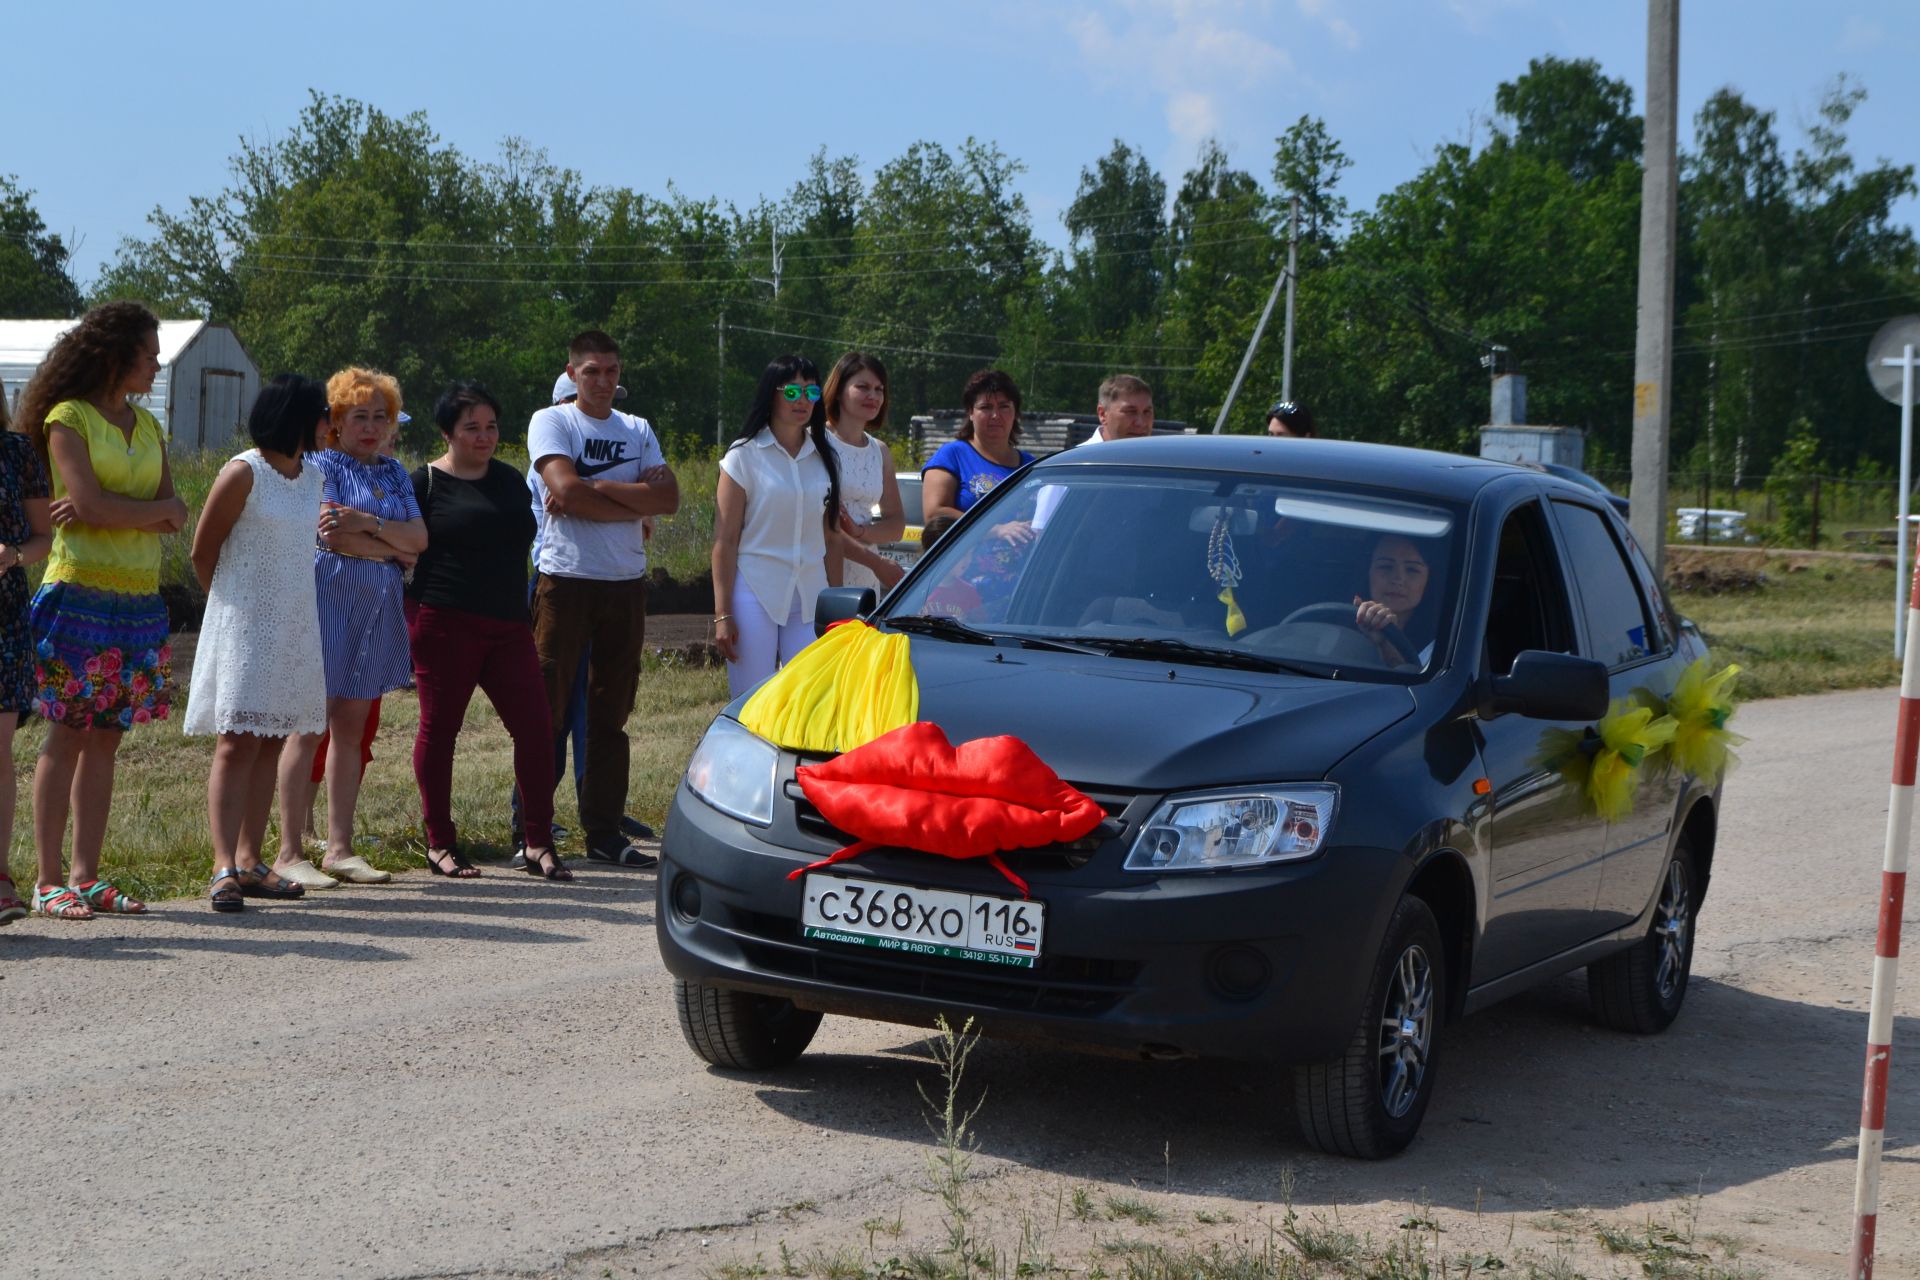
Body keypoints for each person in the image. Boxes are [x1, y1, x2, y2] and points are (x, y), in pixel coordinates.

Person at [15, 301, 187, 920]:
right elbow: (93, 505)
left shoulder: (149, 425)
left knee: (109, 738)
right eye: (149, 353)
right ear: (116, 356)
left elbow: (176, 510)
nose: (157, 363)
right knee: (68, 731)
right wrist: (147, 514)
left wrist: (115, 509)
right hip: (79, 592)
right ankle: (47, 879)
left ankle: (87, 877)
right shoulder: (68, 417)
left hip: (137, 600)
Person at [526, 331, 679, 868]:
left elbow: (669, 497)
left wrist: (600, 489)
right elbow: (563, 491)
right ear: (571, 373)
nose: (604, 381)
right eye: (592, 371)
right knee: (548, 707)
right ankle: (535, 832)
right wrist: (631, 497)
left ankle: (605, 832)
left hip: (624, 584)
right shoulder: (553, 422)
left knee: (612, 713)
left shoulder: (637, 427)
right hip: (566, 580)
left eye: (612, 371)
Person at [407, 381, 565, 879]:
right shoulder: (423, 483)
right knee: (441, 731)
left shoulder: (511, 480)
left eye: (491, 426)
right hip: (444, 623)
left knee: (537, 728)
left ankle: (537, 841)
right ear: (447, 433)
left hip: (508, 626)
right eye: (471, 427)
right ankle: (440, 843)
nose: (484, 436)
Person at [276, 367, 426, 889]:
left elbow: (421, 541)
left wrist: (368, 526)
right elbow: (330, 538)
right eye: (358, 415)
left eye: (379, 417)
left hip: (375, 606)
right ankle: (289, 850)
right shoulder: (321, 465)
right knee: (310, 724)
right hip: (326, 600)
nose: (370, 426)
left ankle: (340, 848)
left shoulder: (395, 473)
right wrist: (394, 547)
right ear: (335, 421)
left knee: (352, 728)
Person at [185, 375, 330, 911]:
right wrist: (230, 611)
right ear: (297, 416)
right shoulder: (244, 471)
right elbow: (204, 550)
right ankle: (222, 864)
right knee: (236, 741)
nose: (328, 425)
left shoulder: (311, 477)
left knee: (271, 740)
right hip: (244, 627)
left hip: (294, 627)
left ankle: (250, 859)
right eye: (322, 415)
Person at [711, 356, 843, 698]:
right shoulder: (743, 456)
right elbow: (725, 540)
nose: (803, 401)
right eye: (793, 391)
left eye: (811, 391)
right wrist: (722, 614)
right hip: (755, 591)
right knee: (752, 701)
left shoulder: (826, 457)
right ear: (771, 394)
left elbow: (831, 537)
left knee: (810, 699)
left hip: (811, 593)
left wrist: (840, 605)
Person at [0, 382, 52, 926]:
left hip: (4, 616)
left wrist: (13, 554)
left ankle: (0, 881)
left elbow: (45, 537)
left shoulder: (16, 452)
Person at [822, 352, 905, 594]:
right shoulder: (814, 442)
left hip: (866, 576)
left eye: (879, 389)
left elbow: (897, 525)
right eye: (863, 387)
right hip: (822, 571)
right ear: (838, 390)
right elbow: (823, 528)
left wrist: (862, 532)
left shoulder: (879, 451)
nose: (873, 396)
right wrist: (877, 563)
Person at [1033, 373, 1155, 529]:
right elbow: (1044, 540)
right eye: (1130, 412)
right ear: (1102, 414)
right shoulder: (1070, 469)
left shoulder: (1162, 470)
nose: (1141, 422)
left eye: (1147, 412)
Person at [921, 369, 1036, 525]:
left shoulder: (1033, 467)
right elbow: (934, 514)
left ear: (1015, 412)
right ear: (970, 412)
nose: (995, 415)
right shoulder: (952, 456)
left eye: (1004, 407)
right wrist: (993, 530)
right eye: (986, 407)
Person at [1353, 533, 1433, 667]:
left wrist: (1386, 644)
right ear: (1368, 572)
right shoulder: (1334, 627)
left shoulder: (1445, 646)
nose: (1398, 579)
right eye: (1386, 566)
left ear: (1428, 579)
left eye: (1412, 569)